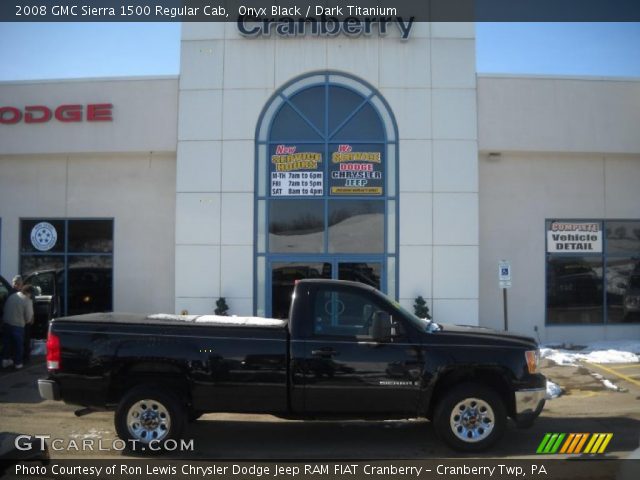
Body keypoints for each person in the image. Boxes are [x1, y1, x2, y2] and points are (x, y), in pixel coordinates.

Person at [1, 285, 36, 370]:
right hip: (17, 325)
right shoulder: (27, 300)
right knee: (18, 345)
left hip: (6, 323)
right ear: (29, 293)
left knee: (7, 344)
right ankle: (18, 363)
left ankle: (5, 361)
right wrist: (29, 321)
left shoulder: (12, 296)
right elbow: (28, 317)